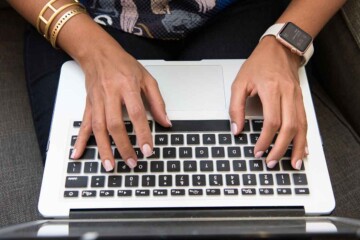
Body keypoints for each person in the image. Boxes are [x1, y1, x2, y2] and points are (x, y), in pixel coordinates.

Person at [7, 0, 346, 174]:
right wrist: (90, 49)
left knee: (262, 191)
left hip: (245, 12)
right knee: (102, 197)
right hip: (87, 17)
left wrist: (286, 42)